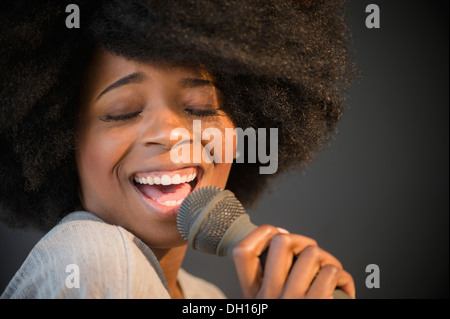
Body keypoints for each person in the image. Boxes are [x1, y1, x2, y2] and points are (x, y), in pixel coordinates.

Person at [0, 0, 356, 299]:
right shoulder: (96, 261)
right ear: (61, 145)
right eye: (123, 112)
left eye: (201, 107)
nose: (171, 133)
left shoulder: (204, 295)